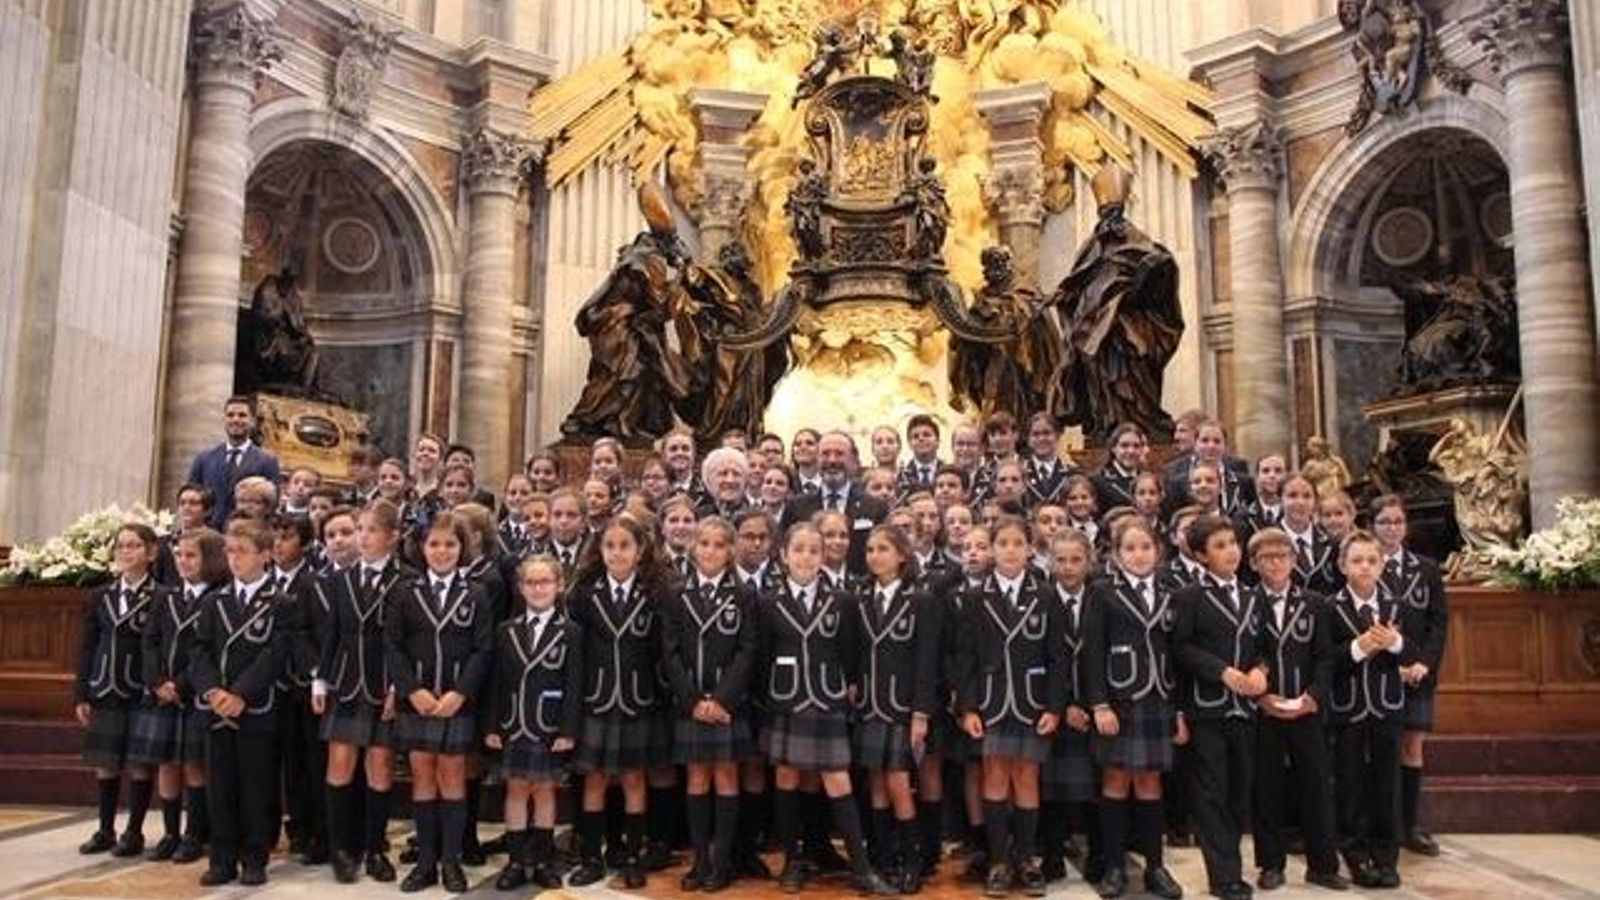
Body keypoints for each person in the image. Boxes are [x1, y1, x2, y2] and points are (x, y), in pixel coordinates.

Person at [758, 523, 897, 896]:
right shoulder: (768, 602)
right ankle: (792, 861)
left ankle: (861, 869)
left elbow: (851, 652)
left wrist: (842, 687)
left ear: (823, 556)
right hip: (785, 701)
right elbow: (762, 657)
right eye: (798, 549)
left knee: (838, 779)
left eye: (813, 550)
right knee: (787, 778)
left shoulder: (842, 600)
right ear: (783, 555)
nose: (806, 557)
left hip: (827, 700)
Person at [956, 517, 1066, 898]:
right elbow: (965, 658)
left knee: (1026, 777)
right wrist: (968, 708)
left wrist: (1054, 706)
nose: (1010, 550)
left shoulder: (1046, 595)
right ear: (991, 549)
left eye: (1018, 543)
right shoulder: (975, 597)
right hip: (990, 703)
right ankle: (999, 861)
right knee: (994, 776)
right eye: (1002, 543)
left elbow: (1058, 657)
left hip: (1032, 702)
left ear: (1030, 549)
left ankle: (1026, 859)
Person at [189, 517, 302, 887]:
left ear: (265, 555)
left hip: (256, 706)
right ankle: (222, 857)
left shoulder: (281, 602)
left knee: (257, 786)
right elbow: (199, 650)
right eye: (230, 551)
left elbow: (276, 653)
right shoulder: (214, 600)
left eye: (243, 551)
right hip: (217, 706)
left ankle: (255, 856)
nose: (235, 558)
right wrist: (213, 691)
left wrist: (240, 693)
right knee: (220, 786)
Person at [387, 511, 494, 894]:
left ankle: (451, 861)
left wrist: (459, 693)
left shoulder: (476, 593)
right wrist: (411, 690)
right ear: (422, 547)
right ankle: (426, 862)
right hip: (416, 701)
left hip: (455, 702)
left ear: (462, 548)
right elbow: (393, 646)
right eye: (434, 543)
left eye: (450, 544)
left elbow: (483, 649)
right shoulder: (404, 591)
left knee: (452, 777)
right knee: (423, 778)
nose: (442, 551)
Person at [1083, 518, 1185, 900]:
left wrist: (1178, 711)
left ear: (1157, 551)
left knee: (1150, 781)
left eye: (1145, 547)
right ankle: (1114, 866)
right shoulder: (1102, 591)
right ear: (1115, 554)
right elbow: (1092, 652)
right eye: (1130, 548)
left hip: (1159, 699)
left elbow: (1177, 653)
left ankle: (1155, 866)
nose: (1139, 555)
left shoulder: (1171, 590)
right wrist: (1099, 704)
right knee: (1115, 779)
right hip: (1119, 699)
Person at [1171, 515, 1269, 900]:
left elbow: (1263, 647)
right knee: (1211, 791)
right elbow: (1181, 648)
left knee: (1240, 790)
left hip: (1244, 708)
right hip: (1207, 707)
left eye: (1233, 543)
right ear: (1201, 555)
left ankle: (1232, 864)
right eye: (1220, 546)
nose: (1231, 551)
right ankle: (1224, 875)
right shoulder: (1190, 596)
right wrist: (1221, 671)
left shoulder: (1252, 595)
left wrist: (1261, 670)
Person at [567, 515, 668, 889]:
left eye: (625, 545)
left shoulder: (654, 593)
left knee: (633, 778)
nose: (617, 553)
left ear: (640, 551)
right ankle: (592, 856)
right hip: (596, 698)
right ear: (600, 549)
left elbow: (661, 650)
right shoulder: (584, 594)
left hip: (639, 699)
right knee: (595, 779)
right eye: (610, 545)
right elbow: (575, 654)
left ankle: (632, 856)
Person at [661, 517, 760, 892]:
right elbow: (669, 652)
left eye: (720, 545)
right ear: (693, 547)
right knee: (697, 777)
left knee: (726, 776)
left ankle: (722, 862)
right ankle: (700, 859)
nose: (711, 551)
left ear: (731, 550)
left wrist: (721, 699)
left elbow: (748, 650)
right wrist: (692, 700)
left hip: (727, 706)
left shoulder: (744, 594)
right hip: (691, 705)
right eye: (704, 543)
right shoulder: (676, 592)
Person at [1246, 528, 1347, 892]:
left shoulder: (1315, 603)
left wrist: (1314, 697)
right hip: (1265, 709)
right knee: (1267, 787)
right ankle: (1271, 863)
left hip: (1307, 709)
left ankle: (1323, 864)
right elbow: (1245, 654)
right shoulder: (1246, 601)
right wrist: (1261, 696)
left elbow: (1324, 657)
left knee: (1316, 784)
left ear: (1294, 560)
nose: (1276, 563)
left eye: (1282, 556)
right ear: (1254, 563)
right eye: (1267, 557)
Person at [315, 500, 411, 884]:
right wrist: (321, 679)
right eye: (360, 529)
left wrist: (399, 686)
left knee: (380, 765)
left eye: (372, 530)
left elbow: (406, 641)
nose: (363, 537)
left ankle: (375, 849)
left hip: (384, 681)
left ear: (392, 537)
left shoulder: (406, 580)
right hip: (346, 679)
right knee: (339, 762)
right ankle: (341, 848)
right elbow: (332, 634)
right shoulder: (342, 579)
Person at [854, 525, 945, 894]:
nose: (875, 556)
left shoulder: (920, 599)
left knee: (898, 782)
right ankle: (881, 857)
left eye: (883, 549)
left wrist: (921, 714)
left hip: (902, 706)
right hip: (869, 704)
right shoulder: (861, 596)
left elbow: (927, 661)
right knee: (875, 781)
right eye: (870, 549)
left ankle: (912, 860)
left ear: (902, 555)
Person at [488, 556, 583, 890]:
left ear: (559, 586)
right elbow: (496, 682)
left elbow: (574, 683)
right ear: (520, 587)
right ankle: (515, 861)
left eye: (545, 582)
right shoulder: (506, 630)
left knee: (544, 790)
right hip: (514, 721)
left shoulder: (570, 632)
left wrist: (568, 729)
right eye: (531, 582)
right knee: (516, 789)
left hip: (549, 723)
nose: (538, 588)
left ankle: (542, 860)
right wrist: (492, 726)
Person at [75, 523, 164, 859]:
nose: (126, 552)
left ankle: (134, 831)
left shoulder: (161, 596)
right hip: (104, 684)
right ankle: (105, 828)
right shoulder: (102, 595)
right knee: (106, 760)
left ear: (151, 552)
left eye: (134, 545)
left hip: (140, 687)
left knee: (140, 762)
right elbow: (88, 646)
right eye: (121, 546)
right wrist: (81, 693)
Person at [139, 527, 226, 864]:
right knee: (167, 763)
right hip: (163, 693)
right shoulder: (167, 596)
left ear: (210, 558)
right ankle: (170, 832)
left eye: (191, 555)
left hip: (193, 694)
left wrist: (181, 685)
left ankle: (194, 833)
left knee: (193, 765)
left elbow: (208, 650)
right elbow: (150, 641)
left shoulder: (217, 598)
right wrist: (157, 681)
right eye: (178, 555)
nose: (183, 561)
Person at [1327, 529, 1407, 888]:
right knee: (1350, 784)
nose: (1364, 567)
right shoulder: (1330, 607)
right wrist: (1358, 648)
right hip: (1348, 709)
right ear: (1342, 565)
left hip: (1387, 707)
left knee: (1387, 783)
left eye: (1372, 560)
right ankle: (1356, 854)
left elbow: (1415, 650)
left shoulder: (1396, 605)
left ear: (1382, 565)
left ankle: (1386, 856)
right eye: (1357, 560)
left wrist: (1396, 643)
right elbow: (1326, 659)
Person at [1369, 496, 1449, 858]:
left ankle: (1410, 824)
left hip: (1417, 672)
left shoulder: (1426, 568)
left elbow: (1438, 622)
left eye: (1397, 522)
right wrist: (1392, 664)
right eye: (1384, 522)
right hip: (1379, 670)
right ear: (1372, 526)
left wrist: (1424, 663)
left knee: (1412, 746)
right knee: (1380, 747)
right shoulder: (1366, 564)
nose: (1391, 528)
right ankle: (1382, 822)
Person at [1039, 530, 1103, 886]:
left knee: (1095, 786)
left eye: (1076, 559)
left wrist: (1090, 704)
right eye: (1060, 560)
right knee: (1051, 788)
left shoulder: (1102, 599)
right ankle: (1051, 856)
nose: (1068, 567)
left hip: (1094, 707)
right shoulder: (1041, 600)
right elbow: (1038, 659)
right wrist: (1063, 706)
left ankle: (1099, 855)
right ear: (1050, 562)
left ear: (1089, 561)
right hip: (1052, 707)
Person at [269, 514, 327, 866]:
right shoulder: (264, 581)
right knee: (281, 762)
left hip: (305, 684)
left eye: (287, 537)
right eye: (274, 536)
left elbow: (317, 633)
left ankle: (313, 829)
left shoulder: (313, 582)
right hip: (270, 686)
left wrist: (316, 672)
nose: (278, 544)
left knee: (309, 761)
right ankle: (284, 826)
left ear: (304, 543)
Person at [781, 431, 889, 575]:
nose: (832, 460)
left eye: (839, 454)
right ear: (817, 459)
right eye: (825, 454)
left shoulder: (876, 507)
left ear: (853, 460)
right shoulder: (795, 507)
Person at [186, 396, 282, 529]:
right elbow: (191, 496)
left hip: (247, 532)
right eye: (230, 415)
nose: (236, 419)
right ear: (224, 420)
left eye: (242, 415)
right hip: (208, 532)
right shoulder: (204, 459)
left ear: (253, 421)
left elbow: (272, 504)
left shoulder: (267, 461)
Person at [1276, 475, 1341, 596]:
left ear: (1316, 502)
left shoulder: (1332, 544)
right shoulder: (1268, 542)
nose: (1300, 502)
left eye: (1307, 496)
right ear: (1280, 500)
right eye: (1292, 495)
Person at [1094, 424, 1148, 514]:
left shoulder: (1148, 479)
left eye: (1136, 446)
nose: (1131, 451)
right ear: (1113, 448)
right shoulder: (1100, 482)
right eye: (1124, 446)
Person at [1023, 413, 1071, 509]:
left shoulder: (1071, 474)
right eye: (1035, 434)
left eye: (1047, 433)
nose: (1041, 439)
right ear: (1028, 439)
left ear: (1058, 436)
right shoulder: (1019, 473)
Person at [897, 414, 944, 498]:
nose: (921, 439)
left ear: (938, 441)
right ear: (909, 444)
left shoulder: (948, 473)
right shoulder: (901, 477)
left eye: (927, 435)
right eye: (915, 436)